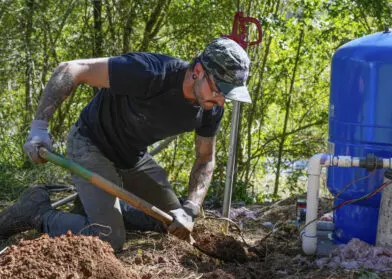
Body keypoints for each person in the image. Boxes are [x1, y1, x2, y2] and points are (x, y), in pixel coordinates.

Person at [0, 37, 251, 251]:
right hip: (91, 143)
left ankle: (96, 210)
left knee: (174, 224)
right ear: (197, 71)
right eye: (219, 90)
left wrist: (191, 208)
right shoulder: (151, 72)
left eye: (228, 95)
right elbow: (73, 68)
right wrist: (39, 128)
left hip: (132, 156)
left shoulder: (211, 109)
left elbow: (206, 158)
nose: (221, 102)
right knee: (109, 238)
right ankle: (37, 213)